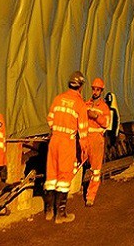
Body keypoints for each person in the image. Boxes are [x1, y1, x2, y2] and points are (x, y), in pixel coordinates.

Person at [43, 71, 89, 224]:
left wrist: (57, 130)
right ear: (81, 86)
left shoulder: (58, 98)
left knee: (51, 174)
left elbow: (50, 119)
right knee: (64, 176)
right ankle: (60, 214)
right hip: (66, 143)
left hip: (54, 140)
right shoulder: (79, 104)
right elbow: (82, 130)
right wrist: (84, 149)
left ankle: (48, 211)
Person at [84, 77, 111, 207]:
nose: (95, 92)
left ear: (101, 91)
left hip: (96, 140)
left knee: (95, 171)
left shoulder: (104, 107)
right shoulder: (85, 104)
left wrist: (96, 116)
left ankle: (91, 196)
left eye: (98, 90)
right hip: (84, 138)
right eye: (94, 89)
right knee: (74, 165)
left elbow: (107, 123)